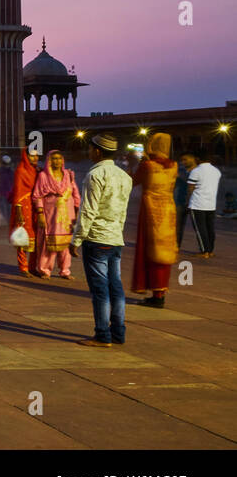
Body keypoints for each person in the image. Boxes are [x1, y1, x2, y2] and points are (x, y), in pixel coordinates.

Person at [72, 134, 133, 346]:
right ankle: (118, 333)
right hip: (115, 238)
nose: (89, 152)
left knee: (100, 290)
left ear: (97, 151)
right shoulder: (125, 176)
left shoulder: (95, 175)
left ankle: (102, 335)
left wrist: (76, 239)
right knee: (116, 287)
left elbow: (88, 211)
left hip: (97, 238)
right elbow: (123, 211)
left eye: (90, 149)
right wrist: (117, 232)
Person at [131, 133, 178, 308]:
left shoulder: (148, 165)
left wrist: (133, 164)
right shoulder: (174, 166)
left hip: (150, 210)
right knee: (164, 250)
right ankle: (159, 293)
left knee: (148, 251)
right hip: (168, 210)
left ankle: (154, 294)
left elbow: (132, 181)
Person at [31, 151, 79, 279]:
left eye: (59, 158)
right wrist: (40, 213)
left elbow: (75, 192)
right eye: (54, 159)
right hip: (50, 213)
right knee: (49, 242)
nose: (57, 161)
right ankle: (45, 270)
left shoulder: (68, 174)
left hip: (67, 213)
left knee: (66, 242)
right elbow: (37, 196)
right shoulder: (43, 176)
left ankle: (65, 270)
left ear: (62, 160)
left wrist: (77, 209)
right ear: (49, 161)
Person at [9, 150, 39, 274]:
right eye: (32, 155)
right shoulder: (21, 171)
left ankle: (32, 267)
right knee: (23, 236)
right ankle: (23, 267)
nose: (35, 158)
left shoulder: (37, 170)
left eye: (36, 155)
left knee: (36, 237)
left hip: (35, 206)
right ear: (26, 156)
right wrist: (18, 211)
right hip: (23, 206)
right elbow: (17, 191)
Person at [187, 151, 221, 258]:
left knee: (200, 229)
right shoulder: (216, 171)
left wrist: (188, 201)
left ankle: (204, 251)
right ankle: (210, 250)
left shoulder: (196, 171)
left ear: (198, 159)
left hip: (197, 204)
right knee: (210, 228)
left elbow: (190, 188)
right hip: (211, 205)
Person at [173, 154, 196, 247]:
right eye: (182, 160)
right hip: (179, 202)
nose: (183, 162)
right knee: (177, 227)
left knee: (199, 227)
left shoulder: (197, 171)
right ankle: (175, 246)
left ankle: (206, 249)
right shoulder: (180, 170)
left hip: (194, 203)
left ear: (192, 159)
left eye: (185, 159)